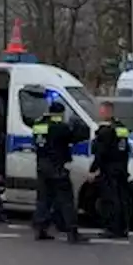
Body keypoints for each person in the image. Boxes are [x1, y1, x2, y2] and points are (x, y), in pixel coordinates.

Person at [32, 100, 89, 243]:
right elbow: (76, 137)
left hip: (42, 166)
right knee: (66, 200)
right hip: (57, 167)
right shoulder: (60, 127)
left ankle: (40, 229)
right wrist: (77, 124)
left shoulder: (38, 125)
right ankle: (72, 232)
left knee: (43, 199)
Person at [90, 101, 131, 238]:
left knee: (110, 200)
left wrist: (93, 169)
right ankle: (123, 227)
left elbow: (101, 151)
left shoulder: (106, 130)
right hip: (121, 168)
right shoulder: (121, 127)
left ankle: (113, 228)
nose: (100, 113)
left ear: (107, 111)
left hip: (109, 169)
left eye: (101, 111)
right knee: (121, 199)